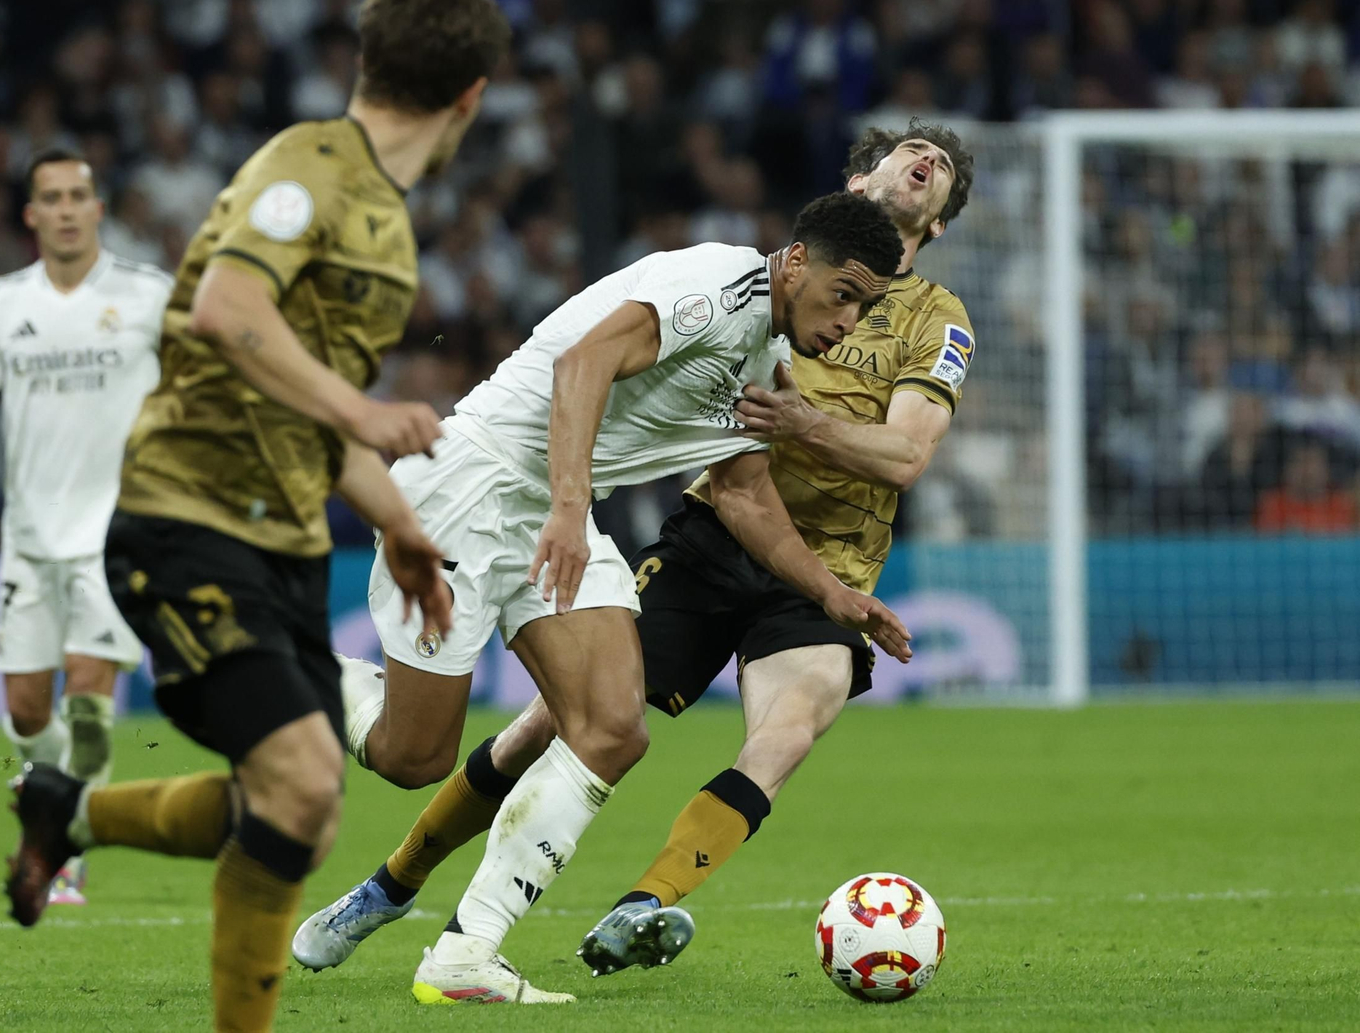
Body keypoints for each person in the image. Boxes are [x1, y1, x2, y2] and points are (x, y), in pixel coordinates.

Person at [297, 119, 975, 981]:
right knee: (411, 756)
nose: (846, 324)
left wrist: (833, 594)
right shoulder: (715, 286)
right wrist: (572, 507)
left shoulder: (771, 352)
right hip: (472, 491)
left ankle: (466, 952)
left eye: (863, 308)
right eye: (842, 298)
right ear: (799, 262)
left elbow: (742, 488)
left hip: (560, 511)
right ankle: (309, 673)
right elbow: (583, 364)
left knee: (613, 727)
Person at [0, 0, 508, 1032]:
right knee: (305, 782)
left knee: (296, 813)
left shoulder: (388, 223)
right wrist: (367, 419)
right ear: (471, 95)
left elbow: (301, 403)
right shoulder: (307, 167)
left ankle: (72, 810)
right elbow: (229, 310)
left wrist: (401, 524)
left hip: (283, 540)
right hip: (185, 515)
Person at [0, 147, 172, 906]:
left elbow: (210, 367)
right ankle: (53, 801)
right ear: (31, 215)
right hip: (30, 538)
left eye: (78, 196)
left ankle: (64, 843)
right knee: (29, 708)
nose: (66, 209)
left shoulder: (147, 294)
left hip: (118, 533)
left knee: (89, 694)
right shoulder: (5, 301)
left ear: (98, 209)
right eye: (50, 198)